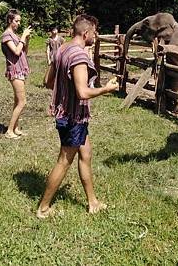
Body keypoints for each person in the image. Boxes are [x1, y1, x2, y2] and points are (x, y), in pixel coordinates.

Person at [37, 14, 118, 218]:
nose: (96, 36)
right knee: (65, 160)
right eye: (95, 32)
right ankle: (43, 208)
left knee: (86, 154)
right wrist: (106, 89)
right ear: (85, 33)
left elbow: (48, 81)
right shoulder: (79, 56)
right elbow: (83, 92)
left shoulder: (62, 50)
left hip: (71, 115)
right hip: (72, 117)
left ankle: (93, 202)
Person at [1, 9, 32, 139]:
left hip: (20, 69)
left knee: (17, 101)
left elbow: (25, 51)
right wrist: (23, 36)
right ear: (10, 20)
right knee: (22, 102)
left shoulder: (15, 35)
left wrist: (26, 39)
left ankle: (16, 127)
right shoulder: (6, 35)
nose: (19, 23)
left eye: (19, 21)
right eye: (16, 21)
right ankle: (9, 131)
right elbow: (16, 52)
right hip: (15, 70)